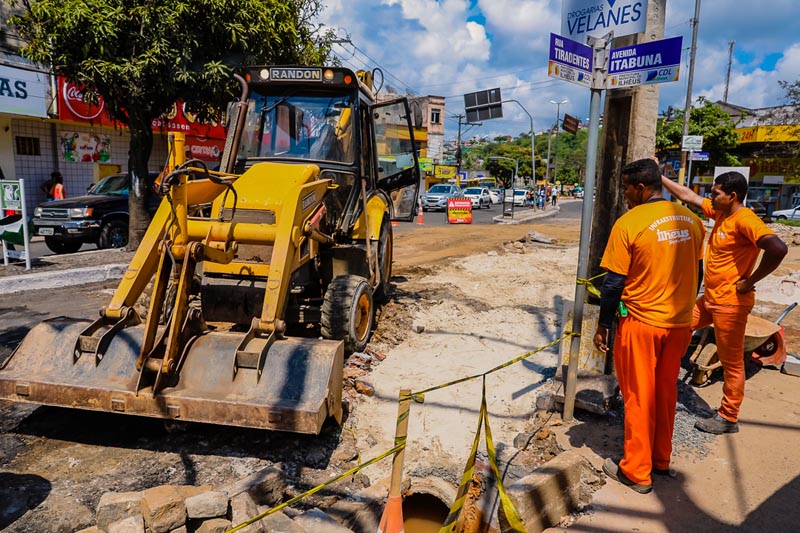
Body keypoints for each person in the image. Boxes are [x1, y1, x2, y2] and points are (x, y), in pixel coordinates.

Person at [593, 158, 705, 494]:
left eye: (626, 187)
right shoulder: (692, 220)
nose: (625, 194)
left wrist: (603, 325)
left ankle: (636, 472)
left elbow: (613, 284)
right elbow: (697, 273)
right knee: (666, 392)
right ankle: (660, 460)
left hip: (641, 323)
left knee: (639, 397)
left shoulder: (629, 222)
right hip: (680, 324)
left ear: (641, 187)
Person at [661, 170, 788, 434]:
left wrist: (750, 280)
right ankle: (664, 378)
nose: (711, 196)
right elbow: (689, 196)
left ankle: (728, 417)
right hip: (710, 298)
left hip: (731, 304)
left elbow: (778, 248)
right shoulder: (721, 213)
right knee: (679, 325)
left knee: (731, 362)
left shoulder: (745, 219)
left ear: (732, 196)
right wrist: (659, 176)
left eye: (716, 193)